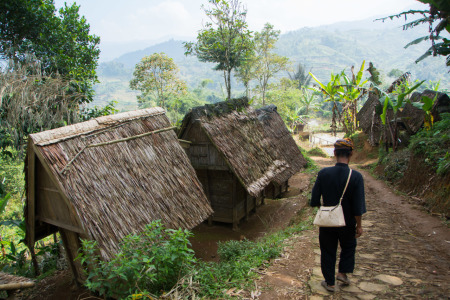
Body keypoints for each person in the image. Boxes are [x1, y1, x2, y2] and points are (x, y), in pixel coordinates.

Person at [310, 138, 366, 292]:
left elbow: (314, 199)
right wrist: (359, 226)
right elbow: (358, 206)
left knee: (328, 250)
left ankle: (330, 283)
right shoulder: (356, 177)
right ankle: (342, 273)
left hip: (328, 221)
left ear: (334, 153)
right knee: (349, 246)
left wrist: (324, 210)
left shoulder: (323, 173)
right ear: (351, 154)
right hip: (347, 222)